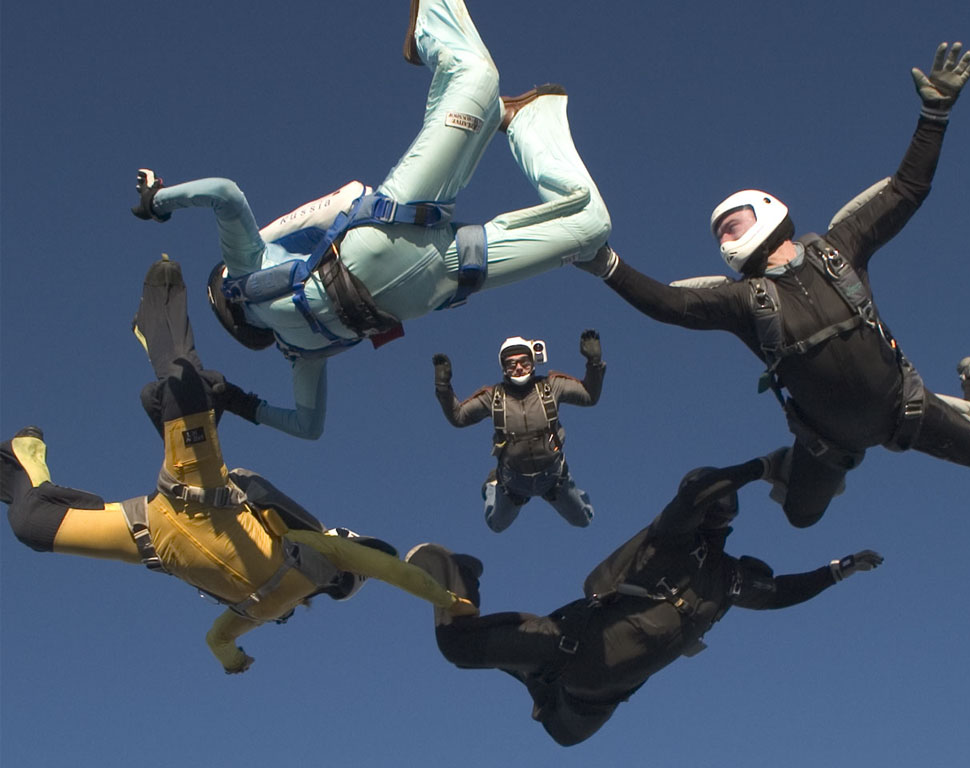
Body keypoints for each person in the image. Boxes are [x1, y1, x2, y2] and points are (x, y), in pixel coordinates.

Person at [578, 41, 970, 527]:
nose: (726, 234)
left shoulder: (841, 247)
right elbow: (670, 304)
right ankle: (782, 465)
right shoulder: (742, 299)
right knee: (800, 515)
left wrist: (934, 112)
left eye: (733, 222)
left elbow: (907, 189)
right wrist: (607, 265)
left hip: (903, 406)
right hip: (831, 440)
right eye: (720, 233)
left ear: (769, 209)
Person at [130, 0, 610, 440]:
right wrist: (160, 202)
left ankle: (430, 23)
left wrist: (240, 402)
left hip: (402, 236)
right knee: (590, 226)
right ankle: (531, 122)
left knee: (478, 80)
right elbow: (224, 195)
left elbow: (306, 426)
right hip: (437, 274)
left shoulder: (262, 301)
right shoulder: (290, 339)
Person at [0, 257, 477, 675]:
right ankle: (156, 327)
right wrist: (446, 600)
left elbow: (218, 639)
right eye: (344, 577)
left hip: (153, 535)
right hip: (201, 501)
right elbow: (393, 571)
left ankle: (29, 462)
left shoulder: (266, 606)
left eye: (342, 582)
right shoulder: (313, 553)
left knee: (29, 524)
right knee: (182, 381)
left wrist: (235, 662)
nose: (340, 577)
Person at [406, 453, 882, 746]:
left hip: (599, 696)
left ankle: (533, 679)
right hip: (570, 643)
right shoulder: (671, 539)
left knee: (561, 737)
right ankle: (462, 572)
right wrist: (759, 469)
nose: (719, 505)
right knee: (459, 649)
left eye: (726, 502)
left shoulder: (727, 578)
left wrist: (837, 571)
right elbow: (694, 494)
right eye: (718, 498)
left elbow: (781, 593)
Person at [433, 330, 604, 532]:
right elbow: (459, 417)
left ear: (533, 363)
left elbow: (589, 396)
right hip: (513, 482)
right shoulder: (494, 397)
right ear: (504, 369)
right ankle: (492, 485)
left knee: (583, 519)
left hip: (553, 478)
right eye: (511, 364)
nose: (519, 368)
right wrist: (443, 387)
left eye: (524, 362)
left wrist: (594, 363)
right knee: (496, 524)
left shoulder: (550, 387)